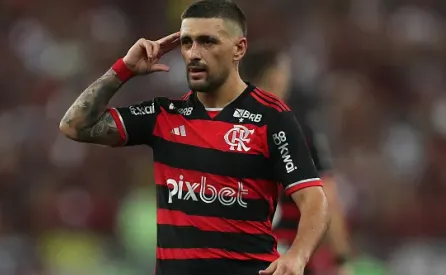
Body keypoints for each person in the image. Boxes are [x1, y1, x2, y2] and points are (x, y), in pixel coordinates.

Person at [59, 1, 330, 275]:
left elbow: (315, 200)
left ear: (239, 48)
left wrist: (297, 255)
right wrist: (124, 69)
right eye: (187, 43)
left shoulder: (271, 117)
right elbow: (74, 126)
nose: (194, 54)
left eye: (207, 42)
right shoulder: (164, 115)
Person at [241, 49, 354, 275]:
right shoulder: (299, 128)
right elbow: (327, 196)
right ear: (275, 76)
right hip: (286, 258)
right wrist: (341, 258)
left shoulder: (223, 124)